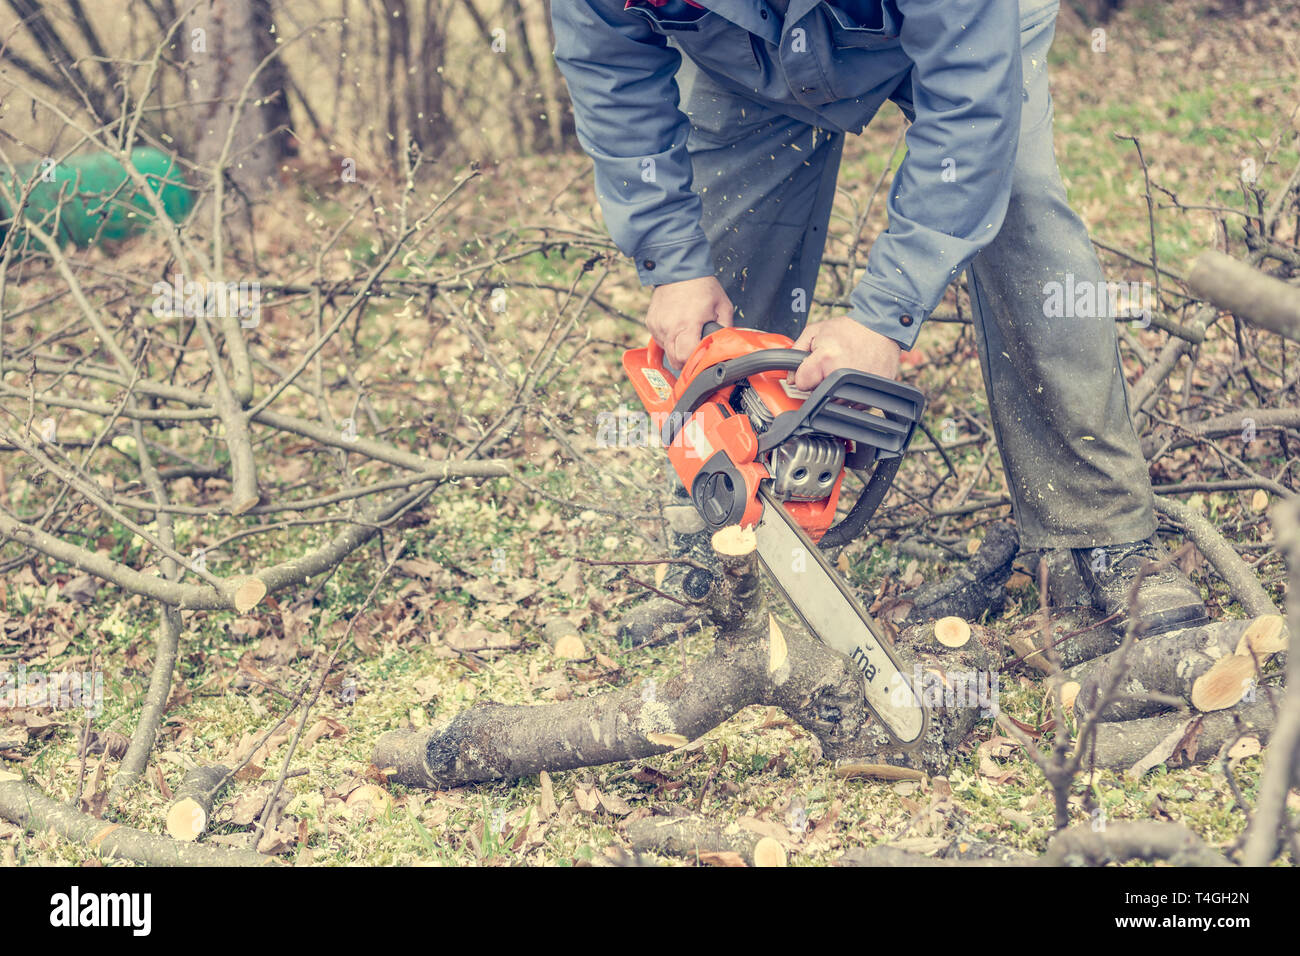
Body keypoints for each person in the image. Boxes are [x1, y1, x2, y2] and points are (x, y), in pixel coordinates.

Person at [550, 0, 1208, 643]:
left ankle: (1099, 536)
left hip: (967, 32)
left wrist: (883, 319)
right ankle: (719, 533)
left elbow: (969, 113)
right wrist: (671, 259)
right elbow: (610, 71)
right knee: (726, 259)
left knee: (1018, 209)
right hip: (752, 59)